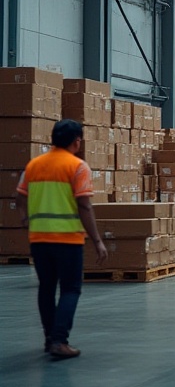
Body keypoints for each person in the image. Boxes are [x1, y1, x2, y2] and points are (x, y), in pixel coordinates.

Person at [15, 119, 108, 359]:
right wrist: (97, 240)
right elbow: (85, 207)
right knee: (70, 289)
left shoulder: (34, 165)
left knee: (46, 288)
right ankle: (60, 340)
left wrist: (27, 221)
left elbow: (19, 198)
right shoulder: (77, 167)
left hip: (38, 239)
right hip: (67, 240)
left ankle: (49, 339)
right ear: (77, 141)